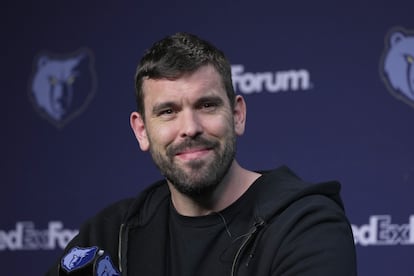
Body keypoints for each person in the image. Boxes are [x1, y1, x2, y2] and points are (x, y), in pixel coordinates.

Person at [47, 32, 357, 276]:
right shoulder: (112, 234)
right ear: (142, 130)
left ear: (237, 115)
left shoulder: (305, 225)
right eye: (168, 111)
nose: (190, 128)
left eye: (206, 105)